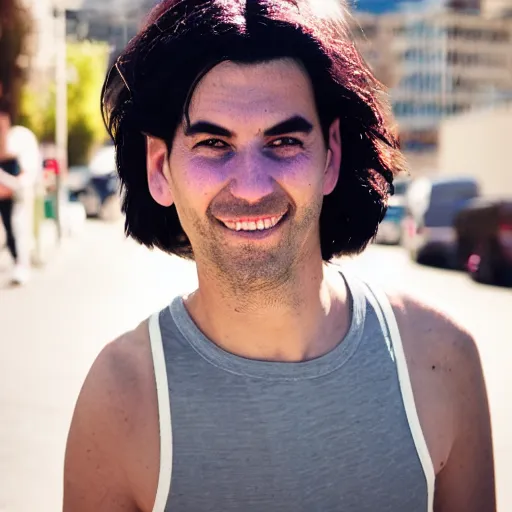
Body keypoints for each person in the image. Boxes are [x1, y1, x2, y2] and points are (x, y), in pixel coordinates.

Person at [63, 1, 495, 511]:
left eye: (285, 141)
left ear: (331, 155)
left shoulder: (442, 361)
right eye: (213, 143)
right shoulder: (119, 398)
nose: (251, 187)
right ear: (159, 167)